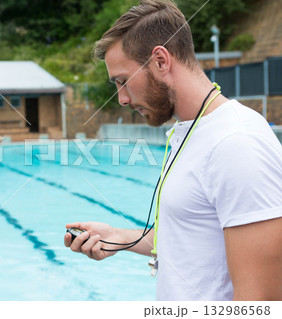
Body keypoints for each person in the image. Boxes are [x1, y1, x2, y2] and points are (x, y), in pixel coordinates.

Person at [64, 0, 282, 301]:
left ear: (161, 61)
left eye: (123, 81)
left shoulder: (236, 143)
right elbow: (194, 235)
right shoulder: (192, 131)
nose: (122, 99)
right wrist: (121, 238)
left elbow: (260, 300)